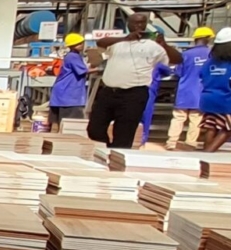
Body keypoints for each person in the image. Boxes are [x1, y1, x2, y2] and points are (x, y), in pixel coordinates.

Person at [86, 12, 181, 149]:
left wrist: (164, 45)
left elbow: (177, 60)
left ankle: (115, 158)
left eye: (141, 23)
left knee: (124, 134)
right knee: (94, 129)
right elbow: (101, 43)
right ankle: (106, 149)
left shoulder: (152, 45)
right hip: (109, 92)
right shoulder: (118, 42)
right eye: (134, 23)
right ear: (128, 25)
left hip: (133, 94)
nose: (138, 26)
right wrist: (125, 38)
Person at [196, 28, 231, 152]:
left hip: (208, 98)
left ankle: (206, 151)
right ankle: (208, 152)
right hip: (226, 99)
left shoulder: (209, 62)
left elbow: (202, 76)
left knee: (211, 125)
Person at [166, 27, 215, 149]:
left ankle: (171, 143)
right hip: (201, 91)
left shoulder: (185, 54)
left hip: (185, 90)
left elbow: (178, 72)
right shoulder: (212, 55)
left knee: (178, 117)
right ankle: (190, 143)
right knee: (196, 119)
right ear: (208, 39)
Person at [47, 32, 90, 131]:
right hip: (69, 95)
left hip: (63, 93)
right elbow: (83, 71)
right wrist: (101, 68)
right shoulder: (73, 56)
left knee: (59, 123)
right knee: (71, 123)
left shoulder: (72, 56)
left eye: (82, 43)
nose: (81, 45)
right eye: (79, 44)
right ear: (72, 46)